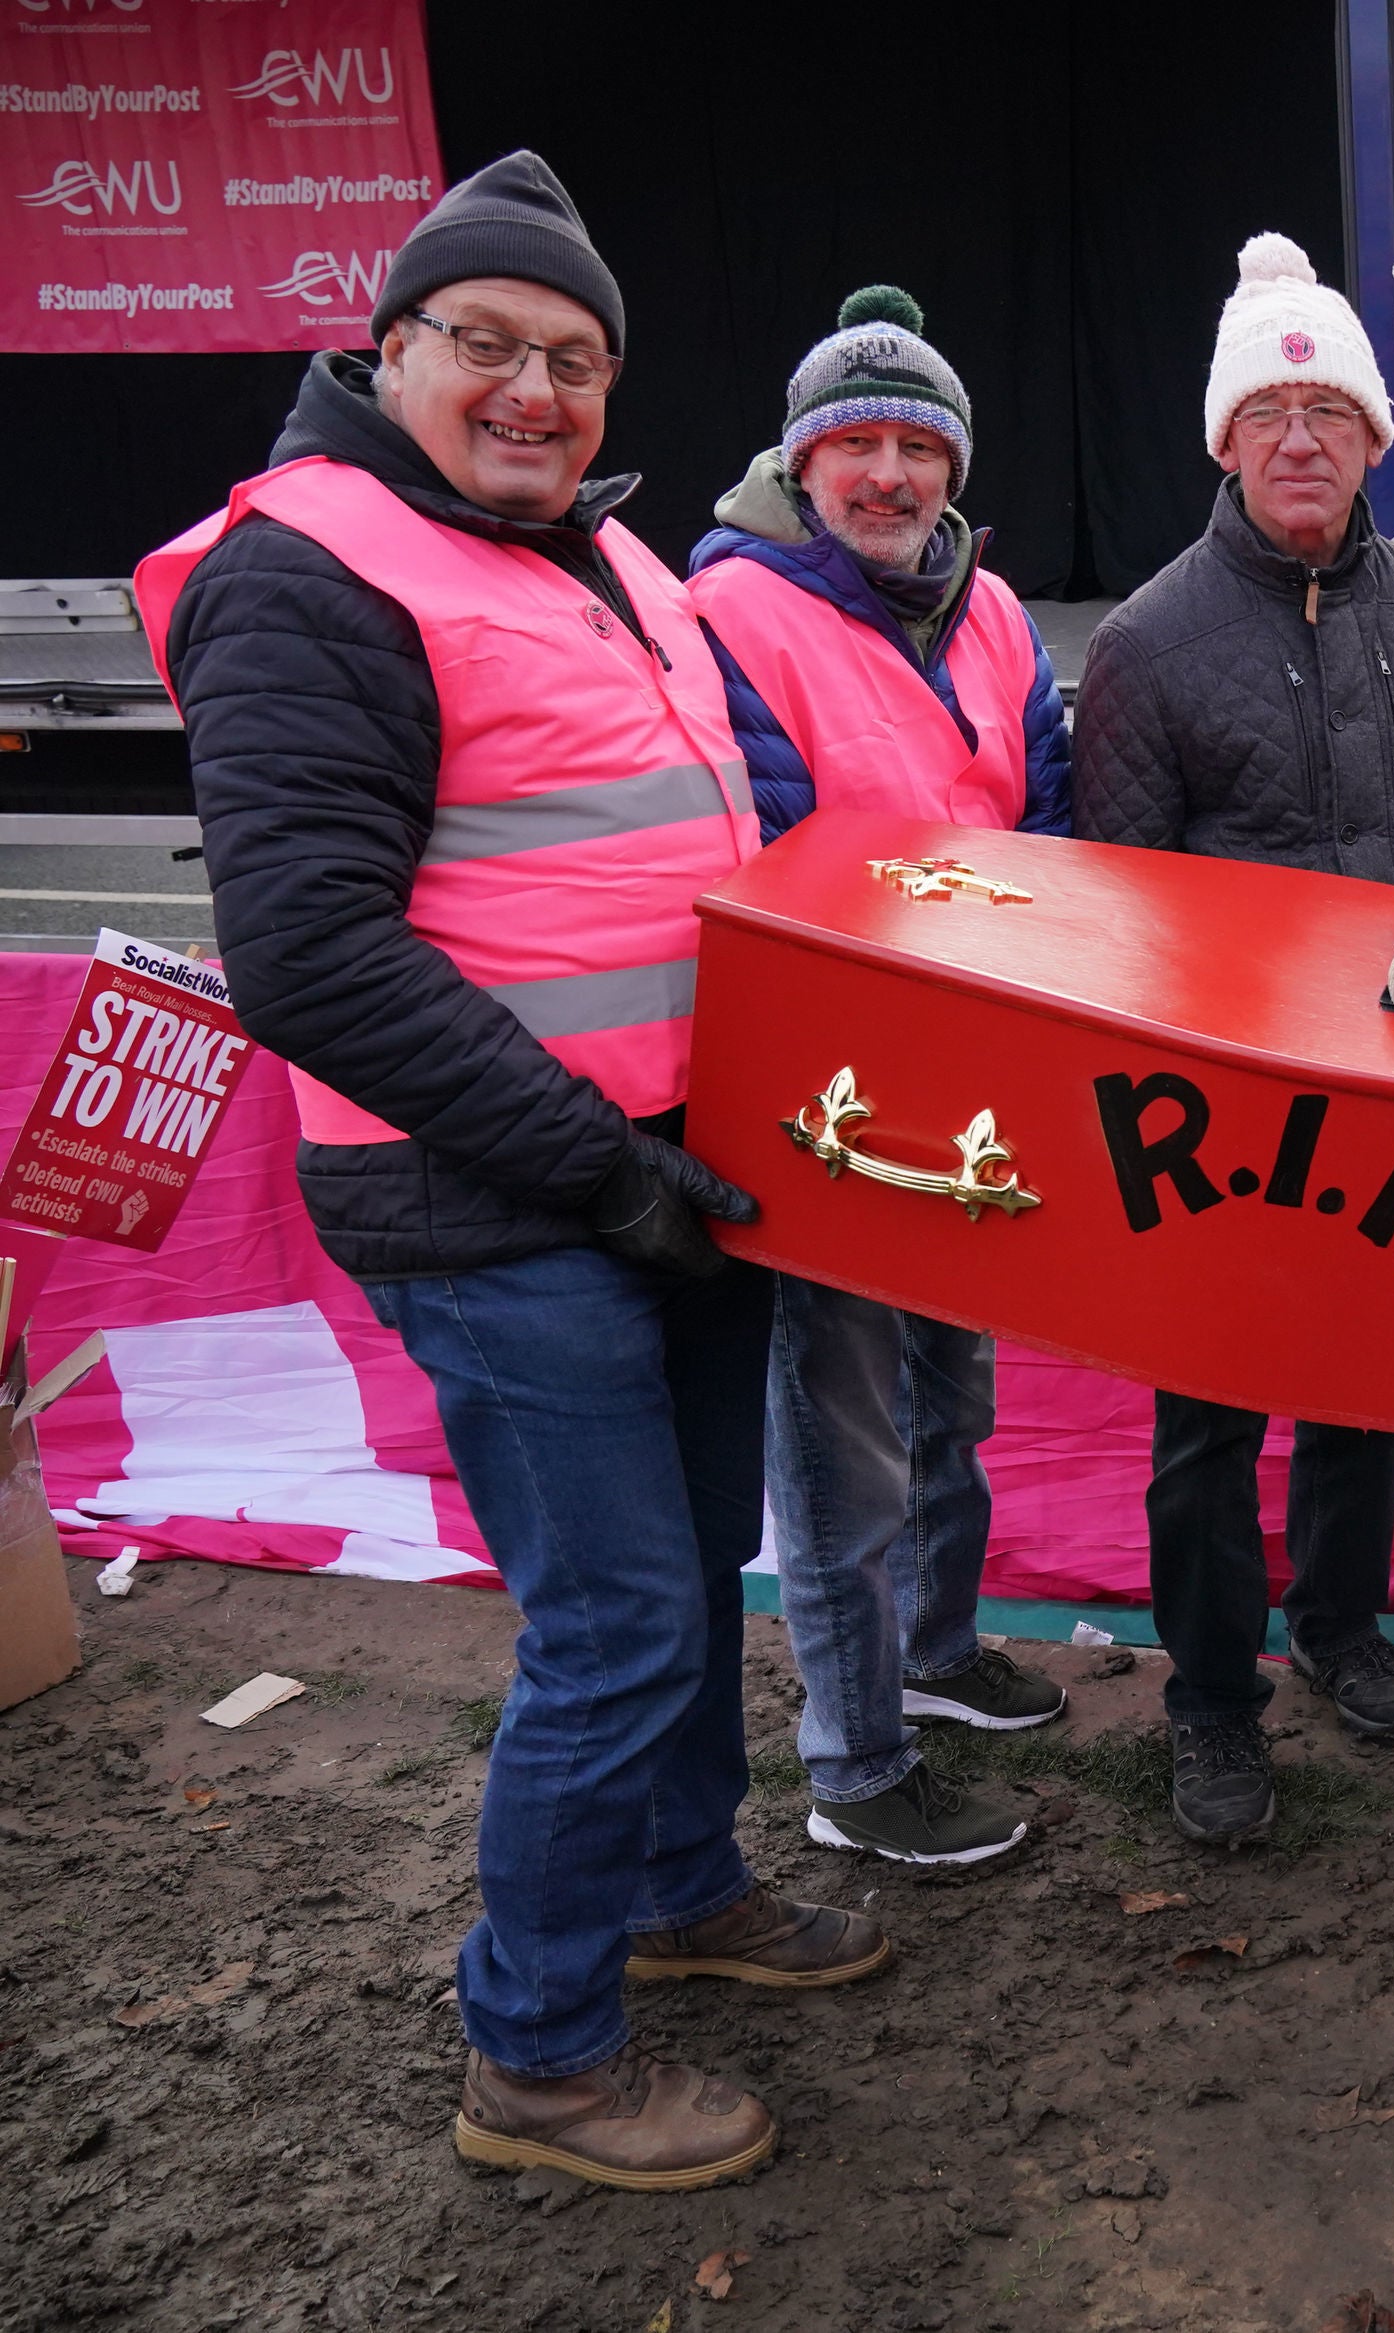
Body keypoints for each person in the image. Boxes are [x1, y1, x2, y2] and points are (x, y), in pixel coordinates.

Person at [135, 153, 877, 2193]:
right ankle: (537, 2046)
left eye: (574, 356)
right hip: (501, 1191)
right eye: (487, 344)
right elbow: (307, 950)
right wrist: (598, 1165)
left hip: (676, 1165)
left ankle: (670, 1879)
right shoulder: (311, 569)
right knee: (617, 1613)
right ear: (390, 354)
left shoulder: (606, 557)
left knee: (692, 1555)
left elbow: (728, 804)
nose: (534, 388)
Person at [1074, 233, 1394, 1843]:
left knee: (1368, 1390)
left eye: (1330, 415)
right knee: (1206, 1431)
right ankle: (1212, 1701)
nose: (1299, 443)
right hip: (1216, 1117)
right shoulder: (1141, 643)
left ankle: (1341, 1626)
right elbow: (1121, 921)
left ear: (1371, 441)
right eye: (1269, 417)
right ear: (1222, 439)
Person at [686, 287, 1073, 1867]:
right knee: (836, 1441)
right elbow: (774, 854)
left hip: (967, 1061)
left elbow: (1048, 810)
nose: (892, 475)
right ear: (804, 458)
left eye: (921, 443)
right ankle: (853, 1759)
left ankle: (938, 1647)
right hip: (826, 1092)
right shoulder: (732, 612)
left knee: (952, 1396)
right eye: (858, 443)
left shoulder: (989, 609)